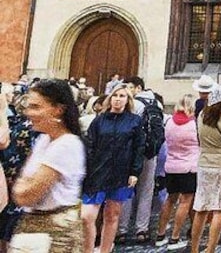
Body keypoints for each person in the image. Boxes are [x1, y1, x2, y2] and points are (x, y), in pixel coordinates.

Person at [11, 80, 85, 252]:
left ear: (58, 109)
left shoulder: (66, 145)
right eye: (28, 106)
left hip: (55, 237)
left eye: (36, 107)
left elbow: (26, 195)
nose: (29, 113)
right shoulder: (44, 140)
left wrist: (24, 185)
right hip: (35, 232)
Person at [81, 84, 145, 253]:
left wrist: (135, 172)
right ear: (110, 99)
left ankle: (105, 249)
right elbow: (90, 145)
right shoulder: (99, 120)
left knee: (112, 214)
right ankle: (88, 249)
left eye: (122, 96)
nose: (118, 99)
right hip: (98, 172)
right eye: (115, 95)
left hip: (121, 172)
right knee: (88, 216)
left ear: (128, 99)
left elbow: (139, 148)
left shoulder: (134, 121)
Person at [191, 85, 221, 253]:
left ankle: (194, 248)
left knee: (201, 207)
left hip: (204, 163)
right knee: (219, 209)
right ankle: (210, 248)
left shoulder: (203, 115)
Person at [118, 76, 163, 244]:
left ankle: (121, 230)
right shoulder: (156, 104)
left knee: (127, 190)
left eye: (130, 87)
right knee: (146, 191)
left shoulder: (133, 104)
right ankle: (142, 229)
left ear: (138, 88)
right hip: (150, 152)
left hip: (130, 152)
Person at [155, 94, 200, 250]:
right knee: (185, 202)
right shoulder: (193, 125)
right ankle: (174, 237)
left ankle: (160, 235)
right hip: (189, 167)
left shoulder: (169, 122)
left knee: (170, 199)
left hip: (171, 165)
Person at [0, 91, 33, 253]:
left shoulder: (15, 124)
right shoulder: (27, 128)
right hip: (18, 179)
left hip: (11, 176)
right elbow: (3, 143)